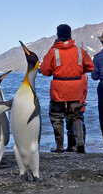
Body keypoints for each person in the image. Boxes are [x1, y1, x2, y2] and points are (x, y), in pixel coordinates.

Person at [40, 24, 94, 153]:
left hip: (58, 88)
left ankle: (59, 147)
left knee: (57, 116)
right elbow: (90, 67)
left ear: (58, 35)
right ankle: (79, 143)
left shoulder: (54, 51)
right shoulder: (79, 50)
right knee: (76, 115)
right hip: (76, 87)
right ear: (70, 34)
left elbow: (44, 70)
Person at [65, 74, 88, 152]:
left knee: (70, 123)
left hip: (69, 102)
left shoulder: (69, 73)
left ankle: (71, 146)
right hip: (80, 101)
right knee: (79, 121)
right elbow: (84, 90)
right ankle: (80, 144)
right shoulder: (83, 75)